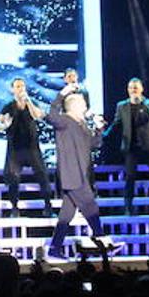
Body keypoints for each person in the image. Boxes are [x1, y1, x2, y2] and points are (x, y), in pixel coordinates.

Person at [45, 84, 110, 259]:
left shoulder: (82, 125)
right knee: (90, 206)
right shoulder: (65, 121)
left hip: (82, 175)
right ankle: (101, 239)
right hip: (72, 175)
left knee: (66, 215)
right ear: (73, 105)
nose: (85, 105)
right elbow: (51, 115)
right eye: (82, 102)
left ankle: (54, 248)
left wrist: (99, 129)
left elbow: (94, 144)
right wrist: (62, 94)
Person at [103, 78, 149, 216]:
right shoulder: (122, 106)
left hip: (148, 146)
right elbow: (117, 123)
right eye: (131, 88)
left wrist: (141, 103)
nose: (133, 90)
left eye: (135, 87)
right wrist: (105, 134)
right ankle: (128, 207)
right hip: (131, 147)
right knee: (130, 177)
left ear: (141, 89)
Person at [0, 78, 54, 216]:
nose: (21, 88)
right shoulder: (8, 107)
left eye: (22, 86)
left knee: (42, 176)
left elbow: (38, 116)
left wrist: (29, 102)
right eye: (18, 86)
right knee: (13, 178)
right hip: (15, 148)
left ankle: (48, 207)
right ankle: (14, 208)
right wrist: (5, 126)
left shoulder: (31, 103)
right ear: (12, 89)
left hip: (32, 147)